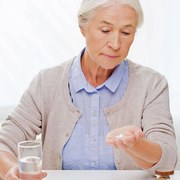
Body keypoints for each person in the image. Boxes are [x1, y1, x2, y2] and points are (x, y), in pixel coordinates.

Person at [0, 0, 177, 179]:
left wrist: (136, 145)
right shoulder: (47, 83)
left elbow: (168, 160)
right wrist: (10, 169)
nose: (115, 44)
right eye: (105, 30)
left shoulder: (152, 84)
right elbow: (3, 142)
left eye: (126, 32)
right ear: (83, 27)